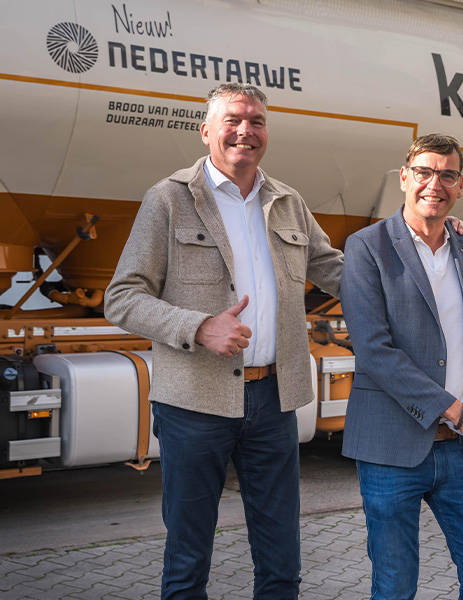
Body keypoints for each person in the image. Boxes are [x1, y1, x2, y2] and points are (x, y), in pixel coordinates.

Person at [104, 83, 343, 599]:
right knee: (188, 556)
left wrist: (423, 234)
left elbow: (338, 271)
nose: (245, 131)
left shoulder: (287, 201)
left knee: (281, 555)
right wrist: (198, 326)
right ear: (206, 130)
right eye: (232, 120)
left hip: (273, 400)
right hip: (194, 403)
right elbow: (122, 297)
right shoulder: (169, 198)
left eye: (256, 121)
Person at [340, 133, 463, 600]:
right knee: (394, 586)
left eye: (447, 175)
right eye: (424, 172)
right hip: (390, 450)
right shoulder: (367, 246)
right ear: (404, 177)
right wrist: (456, 411)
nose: (434, 184)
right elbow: (374, 351)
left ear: (460, 185)